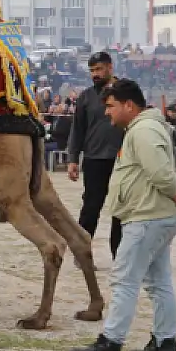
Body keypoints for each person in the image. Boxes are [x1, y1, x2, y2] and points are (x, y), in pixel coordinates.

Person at [69, 78, 176, 351]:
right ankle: (164, 344)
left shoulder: (143, 130)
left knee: (124, 281)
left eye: (110, 106)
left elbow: (160, 173)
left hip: (146, 218)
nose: (106, 112)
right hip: (153, 216)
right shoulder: (142, 128)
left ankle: (110, 345)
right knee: (159, 283)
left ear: (129, 105)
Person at [67, 51, 125, 264]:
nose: (95, 74)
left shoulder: (126, 92)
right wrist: (73, 158)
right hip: (94, 159)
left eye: (99, 69)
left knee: (121, 209)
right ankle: (82, 254)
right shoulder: (86, 97)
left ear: (110, 67)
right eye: (92, 70)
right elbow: (77, 129)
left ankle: (119, 256)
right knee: (91, 207)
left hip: (123, 159)